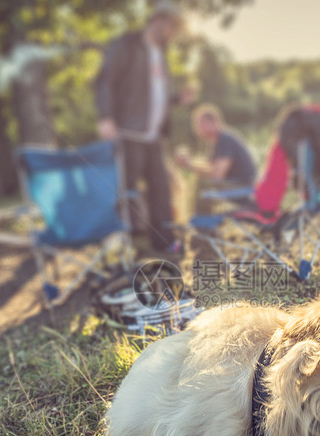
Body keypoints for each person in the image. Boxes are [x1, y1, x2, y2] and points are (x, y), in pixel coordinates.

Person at [93, 0, 194, 253]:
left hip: (153, 137)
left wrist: (177, 99)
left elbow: (153, 95)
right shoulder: (127, 45)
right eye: (171, 26)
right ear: (158, 20)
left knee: (161, 189)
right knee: (125, 191)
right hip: (128, 133)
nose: (172, 33)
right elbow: (105, 81)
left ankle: (164, 242)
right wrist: (106, 116)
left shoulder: (160, 54)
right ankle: (121, 241)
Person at [175, 104, 257, 188]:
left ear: (212, 123)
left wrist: (190, 165)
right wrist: (188, 163)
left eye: (198, 124)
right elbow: (210, 167)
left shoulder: (224, 139)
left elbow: (217, 175)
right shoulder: (216, 140)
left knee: (204, 187)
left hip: (244, 188)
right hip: (236, 186)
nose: (196, 128)